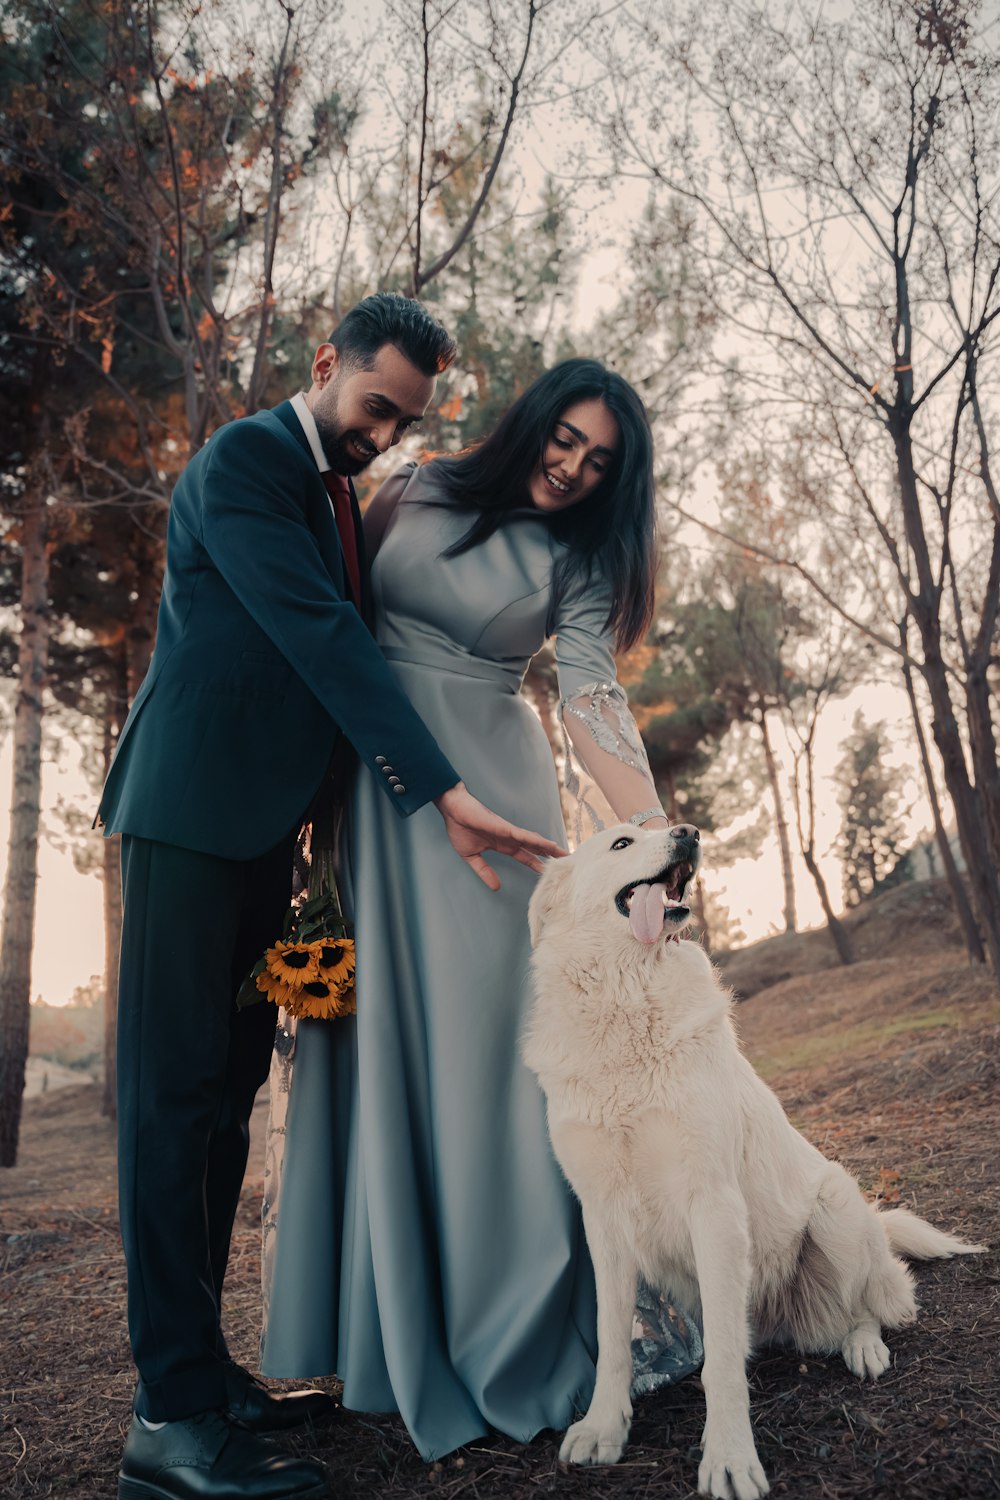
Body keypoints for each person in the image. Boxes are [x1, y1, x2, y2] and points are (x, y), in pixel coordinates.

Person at [97, 293, 566, 1500]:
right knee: (171, 1107)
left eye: (404, 423)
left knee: (225, 1103)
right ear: (326, 367)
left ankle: (203, 1376)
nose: (382, 436)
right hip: (189, 822)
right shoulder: (248, 459)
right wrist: (436, 788)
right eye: (373, 410)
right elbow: (318, 634)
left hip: (265, 838)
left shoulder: (339, 494)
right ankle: (166, 1418)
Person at [260, 359, 702, 1461]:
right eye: (566, 439)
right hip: (376, 790)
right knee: (381, 1055)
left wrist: (650, 837)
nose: (572, 467)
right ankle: (390, 1338)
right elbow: (329, 615)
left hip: (493, 813)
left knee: (492, 1059)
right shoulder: (413, 483)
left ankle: (510, 1329)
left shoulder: (586, 558)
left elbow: (591, 695)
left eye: (599, 462)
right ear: (534, 421)